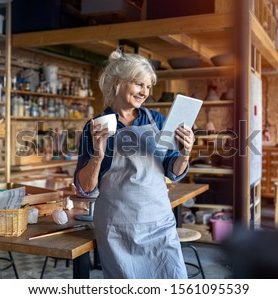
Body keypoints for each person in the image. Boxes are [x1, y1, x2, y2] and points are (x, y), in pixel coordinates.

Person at [74, 49, 195, 279]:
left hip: (159, 225)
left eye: (148, 87)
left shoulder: (157, 121)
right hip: (118, 231)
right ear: (118, 82)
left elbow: (173, 169)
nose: (145, 92)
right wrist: (97, 156)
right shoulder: (97, 126)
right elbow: (86, 187)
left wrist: (185, 153)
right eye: (139, 84)